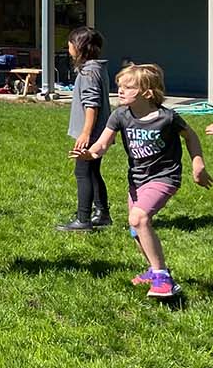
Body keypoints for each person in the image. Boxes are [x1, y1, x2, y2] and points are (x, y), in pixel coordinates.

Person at [77, 64, 210, 298]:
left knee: (138, 218)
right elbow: (103, 143)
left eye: (128, 87)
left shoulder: (167, 118)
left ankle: (163, 278)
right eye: (119, 86)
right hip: (137, 179)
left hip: (165, 177)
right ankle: (154, 269)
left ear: (147, 93)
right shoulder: (120, 115)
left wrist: (197, 163)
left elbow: (190, 136)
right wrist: (91, 153)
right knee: (136, 229)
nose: (120, 91)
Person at [58, 26, 111, 231]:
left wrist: (86, 133)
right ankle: (102, 213)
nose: (68, 47)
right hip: (97, 133)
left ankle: (83, 219)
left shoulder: (89, 72)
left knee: (82, 172)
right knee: (93, 171)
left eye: (70, 43)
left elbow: (92, 104)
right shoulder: (97, 68)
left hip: (91, 134)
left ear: (79, 47)